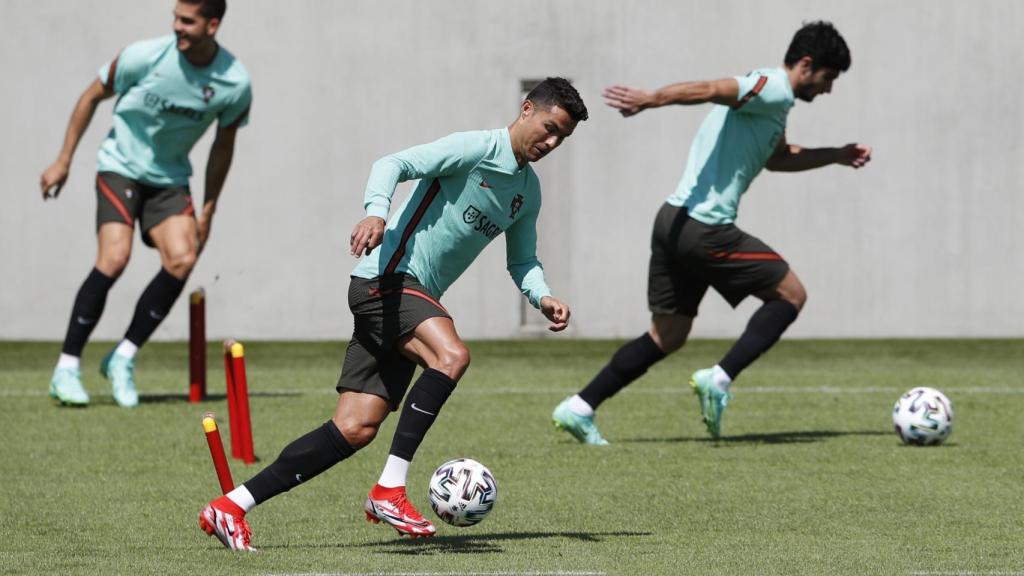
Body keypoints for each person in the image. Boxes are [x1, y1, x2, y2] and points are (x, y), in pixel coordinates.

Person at [199, 77, 588, 550]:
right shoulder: (476, 148)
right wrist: (376, 212)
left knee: (355, 427)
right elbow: (394, 162)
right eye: (548, 128)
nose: (550, 142)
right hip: (386, 280)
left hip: (407, 297)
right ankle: (389, 489)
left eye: (561, 138)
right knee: (452, 356)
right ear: (526, 109)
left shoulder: (527, 192)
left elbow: (522, 260)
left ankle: (231, 506)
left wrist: (542, 296)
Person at [553, 21, 871, 444]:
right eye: (829, 78)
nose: (829, 89)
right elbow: (712, 88)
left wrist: (837, 155)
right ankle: (719, 379)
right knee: (791, 294)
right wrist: (653, 98)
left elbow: (777, 158)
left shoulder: (775, 104)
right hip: (705, 229)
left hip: (672, 221)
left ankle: (579, 407)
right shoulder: (772, 86)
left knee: (668, 334)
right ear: (808, 64)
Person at [41, 0, 251, 408]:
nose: (177, 27)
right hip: (119, 166)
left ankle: (122, 358)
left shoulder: (235, 82)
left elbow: (223, 146)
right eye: (175, 18)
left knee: (183, 258)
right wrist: (63, 160)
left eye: (187, 21)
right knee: (115, 257)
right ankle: (66, 366)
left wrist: (208, 208)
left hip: (170, 179)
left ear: (212, 25)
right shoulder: (144, 56)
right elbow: (90, 96)